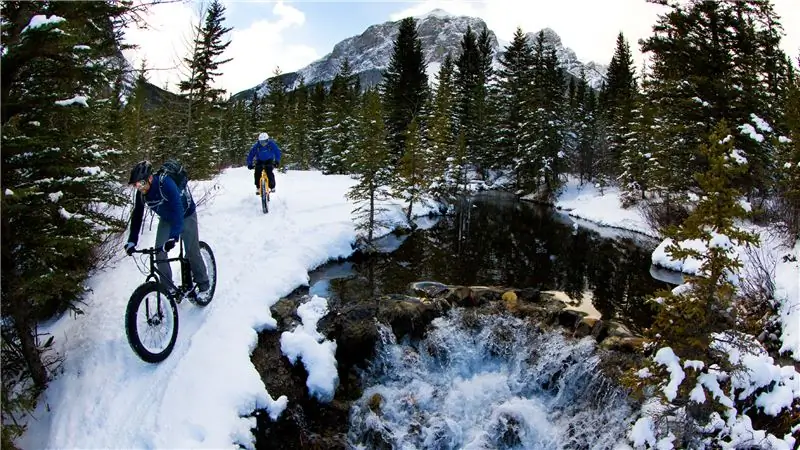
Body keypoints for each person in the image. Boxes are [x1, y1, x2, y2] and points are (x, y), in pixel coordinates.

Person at [124, 161, 210, 299]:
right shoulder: (141, 194)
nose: (139, 187)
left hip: (186, 214)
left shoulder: (166, 184)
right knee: (159, 252)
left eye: (140, 183)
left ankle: (204, 284)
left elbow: (178, 209)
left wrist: (174, 237)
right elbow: (137, 215)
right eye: (135, 185)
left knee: (192, 251)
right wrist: (132, 241)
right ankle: (168, 290)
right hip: (166, 219)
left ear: (150, 178)